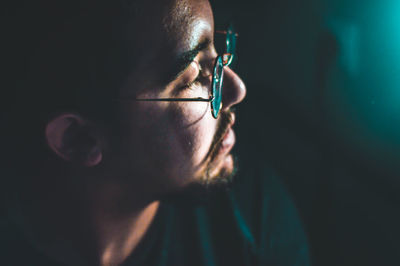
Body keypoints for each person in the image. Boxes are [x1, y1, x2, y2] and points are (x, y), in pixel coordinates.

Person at [1, 0, 310, 265]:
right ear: (78, 139)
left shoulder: (252, 211)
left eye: (217, 52)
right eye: (192, 78)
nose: (236, 89)